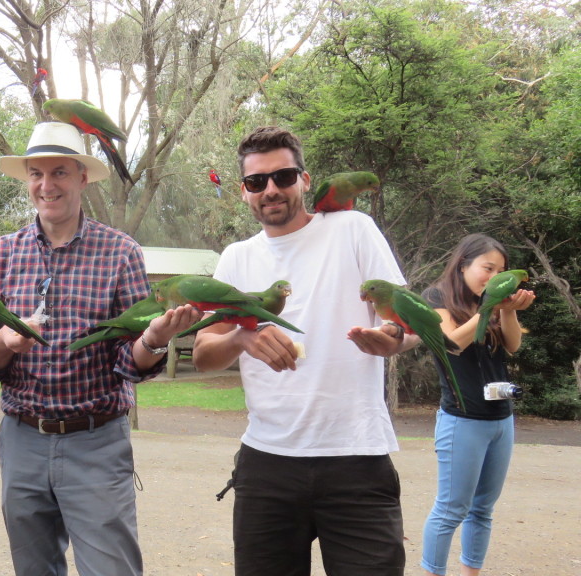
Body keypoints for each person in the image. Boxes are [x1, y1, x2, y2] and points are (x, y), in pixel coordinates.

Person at [0, 121, 201, 576]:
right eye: (36, 174)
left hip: (97, 440)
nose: (46, 185)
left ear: (82, 178)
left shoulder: (121, 253)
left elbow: (131, 362)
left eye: (60, 173)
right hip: (22, 438)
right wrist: (5, 344)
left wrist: (154, 340)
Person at [192, 126, 416, 576]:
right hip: (267, 463)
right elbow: (202, 352)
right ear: (244, 193)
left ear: (305, 180)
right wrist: (241, 338)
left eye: (283, 177)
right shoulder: (236, 258)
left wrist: (392, 339)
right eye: (257, 182)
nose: (271, 190)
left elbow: (405, 327)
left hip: (356, 457)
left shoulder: (353, 229)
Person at [419, 233, 535, 576]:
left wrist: (506, 309)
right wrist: (490, 307)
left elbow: (513, 345)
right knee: (451, 509)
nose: (493, 276)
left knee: (483, 509)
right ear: (463, 264)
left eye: (500, 270)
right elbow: (451, 342)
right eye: (487, 267)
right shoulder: (435, 296)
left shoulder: (492, 300)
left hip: (500, 420)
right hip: (462, 418)